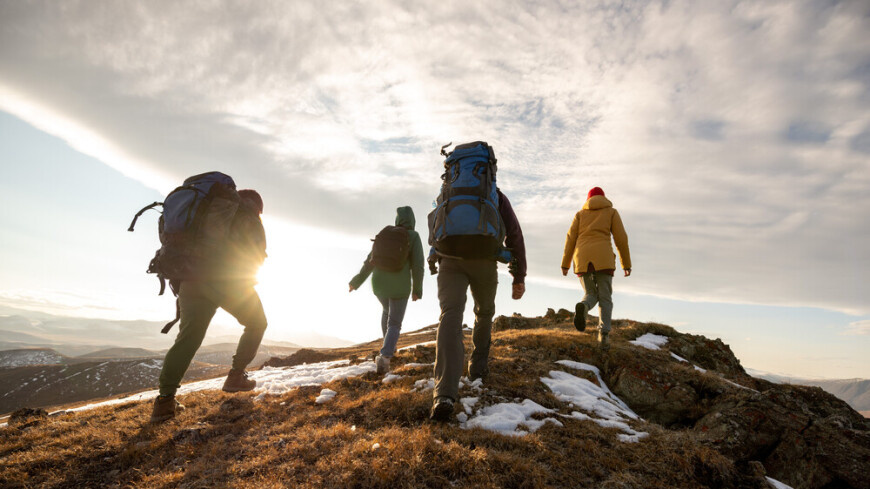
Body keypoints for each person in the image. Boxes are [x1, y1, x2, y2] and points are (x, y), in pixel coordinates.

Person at [150, 189, 269, 423]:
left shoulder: (204, 213)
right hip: (227, 281)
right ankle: (235, 377)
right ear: (257, 206)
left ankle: (164, 402)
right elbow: (256, 254)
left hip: (189, 280)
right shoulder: (246, 214)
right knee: (257, 322)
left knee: (187, 339)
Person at [429, 188, 526, 421]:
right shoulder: (495, 195)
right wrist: (519, 276)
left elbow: (436, 226)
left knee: (450, 315)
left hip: (449, 261)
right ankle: (478, 370)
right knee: (483, 313)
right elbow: (514, 234)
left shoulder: (448, 192)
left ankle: (444, 394)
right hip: (484, 261)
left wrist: (434, 257)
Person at [349, 206, 424, 374]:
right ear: (412, 221)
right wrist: (417, 289)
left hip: (379, 285)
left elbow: (369, 261)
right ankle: (385, 356)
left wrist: (356, 281)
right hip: (400, 287)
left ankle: (387, 346)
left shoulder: (385, 234)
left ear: (397, 220)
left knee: (386, 311)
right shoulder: (413, 236)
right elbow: (418, 266)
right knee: (395, 322)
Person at [561, 186, 631, 350]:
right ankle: (604, 335)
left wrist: (565, 264)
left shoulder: (580, 214)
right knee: (605, 297)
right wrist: (626, 264)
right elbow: (621, 238)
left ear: (588, 199)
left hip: (582, 258)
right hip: (603, 259)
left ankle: (584, 307)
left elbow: (570, 238)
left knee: (590, 293)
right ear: (604, 198)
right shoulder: (611, 212)